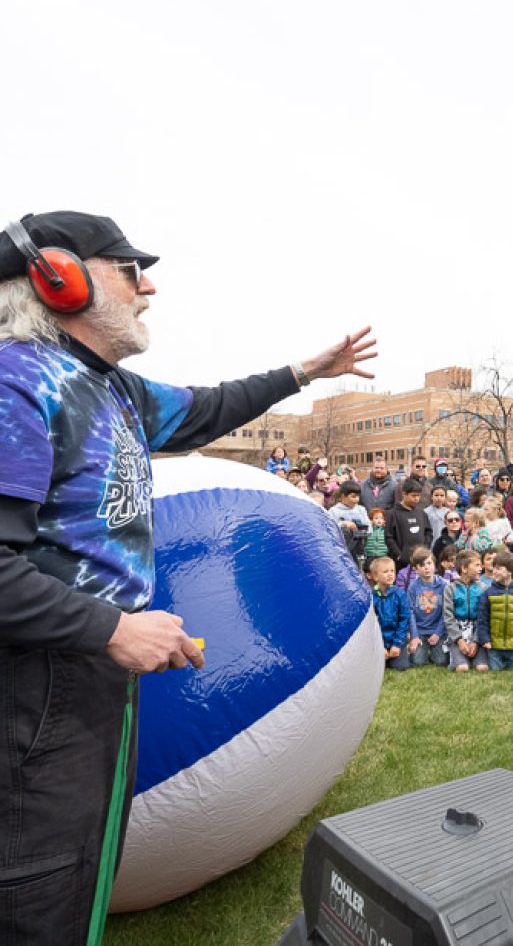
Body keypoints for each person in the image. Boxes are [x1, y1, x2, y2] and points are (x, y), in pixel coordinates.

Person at [0, 209, 377, 942]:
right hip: (34, 682)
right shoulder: (18, 385)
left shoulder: (112, 389)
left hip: (90, 678)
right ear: (59, 278)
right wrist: (110, 626)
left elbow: (207, 410)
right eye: (129, 268)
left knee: (80, 875)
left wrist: (303, 372)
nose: (149, 288)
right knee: (33, 889)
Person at [477, 551, 513, 671]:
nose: (494, 571)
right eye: (494, 568)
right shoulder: (488, 593)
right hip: (494, 645)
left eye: (498, 568)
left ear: (510, 571)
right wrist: (485, 639)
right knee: (495, 670)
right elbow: (482, 619)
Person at [442, 549, 488, 672]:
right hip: (458, 634)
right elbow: (448, 617)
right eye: (477, 565)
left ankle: (475, 656)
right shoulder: (450, 588)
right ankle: (457, 657)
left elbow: (483, 618)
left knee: (482, 668)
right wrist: (459, 640)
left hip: (477, 633)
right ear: (464, 568)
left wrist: (476, 641)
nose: (481, 568)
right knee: (463, 668)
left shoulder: (483, 588)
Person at [406, 547, 449, 667]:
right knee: (417, 662)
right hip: (420, 630)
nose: (426, 567)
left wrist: (438, 633)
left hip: (438, 630)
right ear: (415, 569)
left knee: (441, 661)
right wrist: (414, 636)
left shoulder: (444, 585)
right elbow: (410, 613)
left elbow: (446, 612)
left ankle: (435, 649)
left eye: (429, 563)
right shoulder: (413, 587)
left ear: (434, 565)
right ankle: (417, 648)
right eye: (422, 565)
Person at [369, 557, 413, 669]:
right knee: (375, 667)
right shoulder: (371, 597)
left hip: (396, 638)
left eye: (392, 571)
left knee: (401, 666)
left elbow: (404, 619)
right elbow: (371, 625)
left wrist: (397, 644)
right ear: (375, 576)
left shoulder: (400, 594)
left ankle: (402, 651)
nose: (390, 574)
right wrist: (380, 646)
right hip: (378, 640)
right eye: (385, 571)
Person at [385, 478, 432, 570]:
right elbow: (389, 537)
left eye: (418, 496)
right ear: (404, 494)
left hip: (420, 560)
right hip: (401, 563)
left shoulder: (421, 512)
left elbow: (428, 532)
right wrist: (399, 555)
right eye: (413, 496)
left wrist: (425, 549)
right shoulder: (393, 514)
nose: (416, 499)